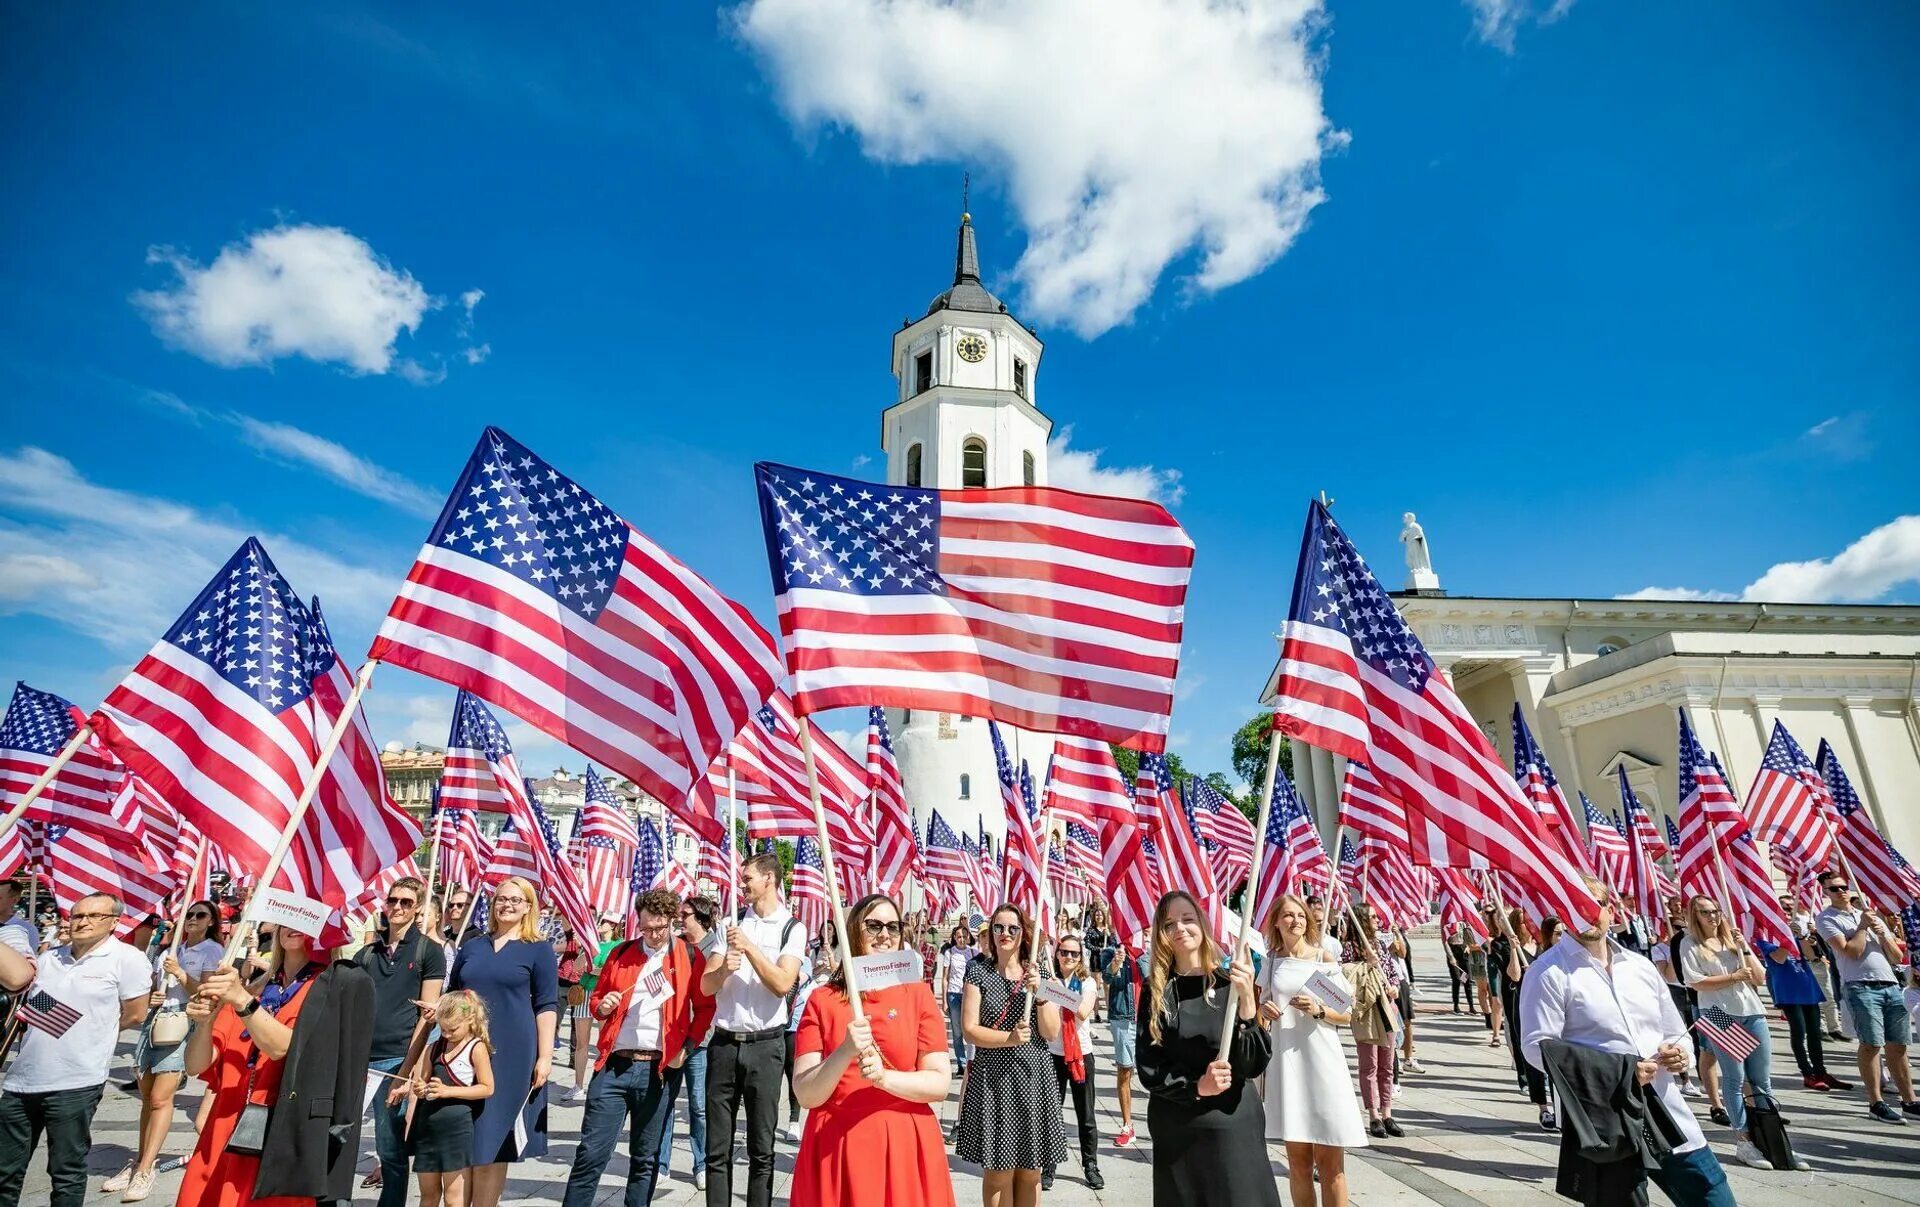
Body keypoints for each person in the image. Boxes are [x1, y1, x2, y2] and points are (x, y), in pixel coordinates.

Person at [1519, 878, 1734, 1207]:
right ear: (1562, 912)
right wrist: (1619, 1072)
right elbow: (1537, 1048)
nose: (1589, 915)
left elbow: (1672, 1028)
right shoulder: (1547, 972)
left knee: (1712, 1194)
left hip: (1664, 1105)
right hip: (1604, 1114)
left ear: (1610, 910)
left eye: (1596, 906)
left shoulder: (1640, 966)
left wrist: (1682, 1055)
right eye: (1578, 906)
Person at [176, 914, 376, 1207]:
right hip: (226, 1130)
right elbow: (196, 1065)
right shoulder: (253, 989)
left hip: (281, 1134)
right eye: (287, 919)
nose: (294, 925)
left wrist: (242, 1002)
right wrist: (204, 1024)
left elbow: (283, 1048)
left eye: (306, 919)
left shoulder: (328, 990)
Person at [790, 894, 955, 1207]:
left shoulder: (918, 995)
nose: (885, 935)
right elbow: (806, 1093)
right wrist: (844, 1051)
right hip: (838, 1146)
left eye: (893, 927)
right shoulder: (822, 1000)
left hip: (904, 1144)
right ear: (854, 931)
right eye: (874, 925)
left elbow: (939, 1083)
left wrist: (885, 1079)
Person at [563, 888, 715, 1207]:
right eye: (647, 928)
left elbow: (705, 1008)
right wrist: (602, 1005)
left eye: (661, 928)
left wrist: (686, 1048)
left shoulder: (688, 956)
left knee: (645, 1158)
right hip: (615, 1065)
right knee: (591, 1154)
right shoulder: (621, 954)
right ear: (638, 923)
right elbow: (596, 999)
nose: (655, 935)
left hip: (659, 1070)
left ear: (672, 922)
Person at [0, 893, 148, 1207]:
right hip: (22, 1079)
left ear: (114, 923)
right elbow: (33, 1004)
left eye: (94, 916)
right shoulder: (49, 958)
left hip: (76, 1082)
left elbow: (135, 1012)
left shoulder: (127, 958)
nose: (83, 921)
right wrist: (60, 1022)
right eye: (78, 915)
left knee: (65, 1172)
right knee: (4, 1170)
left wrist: (94, 1031)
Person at [1135, 891, 1275, 1207]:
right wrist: (1197, 1086)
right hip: (1179, 1128)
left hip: (1232, 1124)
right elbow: (1148, 1066)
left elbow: (1254, 1064)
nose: (1180, 929)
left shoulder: (1230, 982)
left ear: (1202, 922)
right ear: (1161, 933)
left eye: (1188, 919)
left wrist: (1248, 1003)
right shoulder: (1156, 991)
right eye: (1169, 924)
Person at [434, 877, 559, 1207]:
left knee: (493, 1139)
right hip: (464, 1051)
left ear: (528, 907)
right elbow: (453, 995)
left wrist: (545, 1056)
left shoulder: (538, 949)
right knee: (463, 1136)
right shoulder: (473, 945)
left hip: (513, 1054)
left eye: (515, 900)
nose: (506, 904)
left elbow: (546, 1005)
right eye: (500, 899)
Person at [701, 852, 806, 1207]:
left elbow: (781, 983)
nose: (742, 884)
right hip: (724, 1044)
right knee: (717, 1148)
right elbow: (705, 986)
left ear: (769, 880)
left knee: (761, 1149)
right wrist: (723, 971)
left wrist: (749, 949)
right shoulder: (729, 924)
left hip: (766, 1045)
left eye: (748, 878)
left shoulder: (793, 927)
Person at [105, 898, 224, 1202]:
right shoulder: (172, 949)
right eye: (189, 914)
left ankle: (146, 1169)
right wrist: (155, 996)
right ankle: (139, 1162)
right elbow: (156, 986)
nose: (193, 919)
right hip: (157, 1021)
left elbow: (207, 993)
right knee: (147, 1097)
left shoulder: (211, 950)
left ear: (211, 921)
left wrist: (181, 972)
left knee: (161, 1098)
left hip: (184, 1023)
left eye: (200, 915)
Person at [1258, 894, 1365, 1207]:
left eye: (1301, 915)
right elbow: (1259, 1007)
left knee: (1332, 1165)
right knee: (1299, 1164)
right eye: (1289, 915)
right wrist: (1264, 1010)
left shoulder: (1321, 959)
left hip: (1322, 1062)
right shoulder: (1272, 960)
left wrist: (1319, 1009)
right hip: (1287, 1063)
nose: (1296, 921)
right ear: (1276, 921)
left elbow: (1344, 1013)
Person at [955, 904, 1064, 1207]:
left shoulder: (1038, 972)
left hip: (1033, 1079)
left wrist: (1041, 995)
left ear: (1023, 933)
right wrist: (1010, 1039)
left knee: (1031, 1171)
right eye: (999, 928)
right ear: (990, 932)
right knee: (999, 1172)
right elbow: (969, 1028)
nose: (1005, 934)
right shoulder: (978, 970)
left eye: (1012, 928)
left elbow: (1052, 1032)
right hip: (994, 1082)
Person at [1677, 895, 1787, 1170]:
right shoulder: (1690, 943)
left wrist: (1744, 949)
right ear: (1695, 915)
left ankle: (1773, 1140)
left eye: (1715, 911)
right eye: (1704, 912)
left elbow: (1760, 979)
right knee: (1736, 1079)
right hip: (1718, 1014)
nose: (1712, 916)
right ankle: (1744, 1140)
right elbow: (1694, 981)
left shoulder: (1733, 940)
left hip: (1751, 1010)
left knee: (1762, 1080)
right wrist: (1732, 977)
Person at [356, 876, 447, 1206]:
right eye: (393, 900)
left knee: (390, 1146)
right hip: (359, 1058)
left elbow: (427, 1014)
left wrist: (409, 1070)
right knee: (341, 1136)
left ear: (418, 908)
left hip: (395, 1060)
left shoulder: (429, 951)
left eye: (405, 902)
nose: (397, 907)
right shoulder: (368, 952)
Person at [1813, 871, 1918, 1122]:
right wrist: (1862, 927)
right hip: (1860, 985)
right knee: (1871, 1044)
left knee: (1899, 1045)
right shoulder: (1826, 919)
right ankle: (1875, 1102)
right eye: (1834, 889)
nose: (1841, 891)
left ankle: (1909, 1100)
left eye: (1843, 886)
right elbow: (1850, 952)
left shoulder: (1869, 915)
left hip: (1891, 984)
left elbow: (1895, 956)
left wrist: (1882, 933)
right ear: (1825, 893)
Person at [396, 990, 496, 1207]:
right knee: (428, 1196)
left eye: (453, 1029)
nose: (447, 1034)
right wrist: (421, 1088)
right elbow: (421, 1082)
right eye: (443, 1029)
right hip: (429, 1127)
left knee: (454, 1199)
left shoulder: (476, 1048)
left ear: (469, 1020)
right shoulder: (434, 1047)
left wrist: (447, 1091)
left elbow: (487, 1088)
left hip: (456, 1130)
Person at [656, 895, 721, 1190]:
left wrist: (691, 1045)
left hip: (702, 1040)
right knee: (665, 1103)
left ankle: (701, 1164)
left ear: (702, 917)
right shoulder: (674, 946)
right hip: (671, 1036)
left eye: (686, 913)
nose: (680, 917)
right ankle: (661, 1164)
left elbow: (712, 1001)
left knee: (698, 1105)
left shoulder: (717, 946)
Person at [1757, 916, 1849, 1092]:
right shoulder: (1764, 938)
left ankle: (1821, 1072)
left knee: (1815, 1032)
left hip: (1807, 986)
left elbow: (1811, 955)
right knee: (1799, 1032)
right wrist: (1788, 938)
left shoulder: (1792, 936)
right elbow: (1780, 958)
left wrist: (1800, 938)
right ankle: (1807, 1073)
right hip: (1788, 991)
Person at [1041, 933, 1103, 1191]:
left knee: (1086, 1115)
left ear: (1080, 957)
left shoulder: (1086, 981)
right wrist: (1049, 988)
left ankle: (1090, 1165)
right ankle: (1048, 1166)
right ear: (1056, 954)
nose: (1068, 957)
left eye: (1074, 953)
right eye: (1064, 952)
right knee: (1051, 1114)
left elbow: (1083, 1010)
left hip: (1080, 1055)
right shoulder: (1049, 979)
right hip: (1053, 1054)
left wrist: (1059, 991)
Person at [1343, 903, 1401, 1139]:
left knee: (1387, 1064)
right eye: (1373, 917)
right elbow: (1344, 975)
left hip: (1386, 1007)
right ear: (1361, 920)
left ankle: (1388, 1113)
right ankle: (1374, 1115)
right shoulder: (1350, 947)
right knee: (1369, 1065)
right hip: (1367, 1011)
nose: (1377, 921)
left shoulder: (1380, 946)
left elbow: (1393, 972)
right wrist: (1365, 964)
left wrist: (1395, 986)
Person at [1491, 907, 1552, 1127]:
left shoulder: (1544, 946)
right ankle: (1541, 1104)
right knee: (1529, 1047)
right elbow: (1514, 975)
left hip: (1545, 1003)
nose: (1531, 925)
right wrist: (1515, 950)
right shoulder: (1503, 946)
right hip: (1521, 1002)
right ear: (1518, 925)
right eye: (1526, 922)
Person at [1101, 938, 1142, 1148]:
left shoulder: (1149, 949)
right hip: (1123, 1020)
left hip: (1148, 1019)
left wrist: (1144, 953)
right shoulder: (1111, 951)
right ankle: (1128, 1125)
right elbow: (1107, 976)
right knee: (1125, 1071)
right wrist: (1117, 963)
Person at [556, 925, 596, 1104]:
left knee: (604, 1044)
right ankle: (578, 1085)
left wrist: (592, 967)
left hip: (604, 993)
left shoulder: (618, 943)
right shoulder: (591, 944)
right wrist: (586, 950)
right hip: (584, 991)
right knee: (581, 1042)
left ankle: (599, 1085)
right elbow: (578, 968)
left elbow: (611, 969)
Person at [940, 925, 977, 1075]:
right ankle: (961, 1063)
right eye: (958, 936)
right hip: (954, 994)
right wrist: (944, 1000)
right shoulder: (950, 952)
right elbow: (944, 978)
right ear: (954, 938)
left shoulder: (974, 953)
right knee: (957, 1032)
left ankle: (971, 1061)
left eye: (964, 936)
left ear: (968, 937)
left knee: (970, 1029)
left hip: (969, 994)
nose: (961, 939)